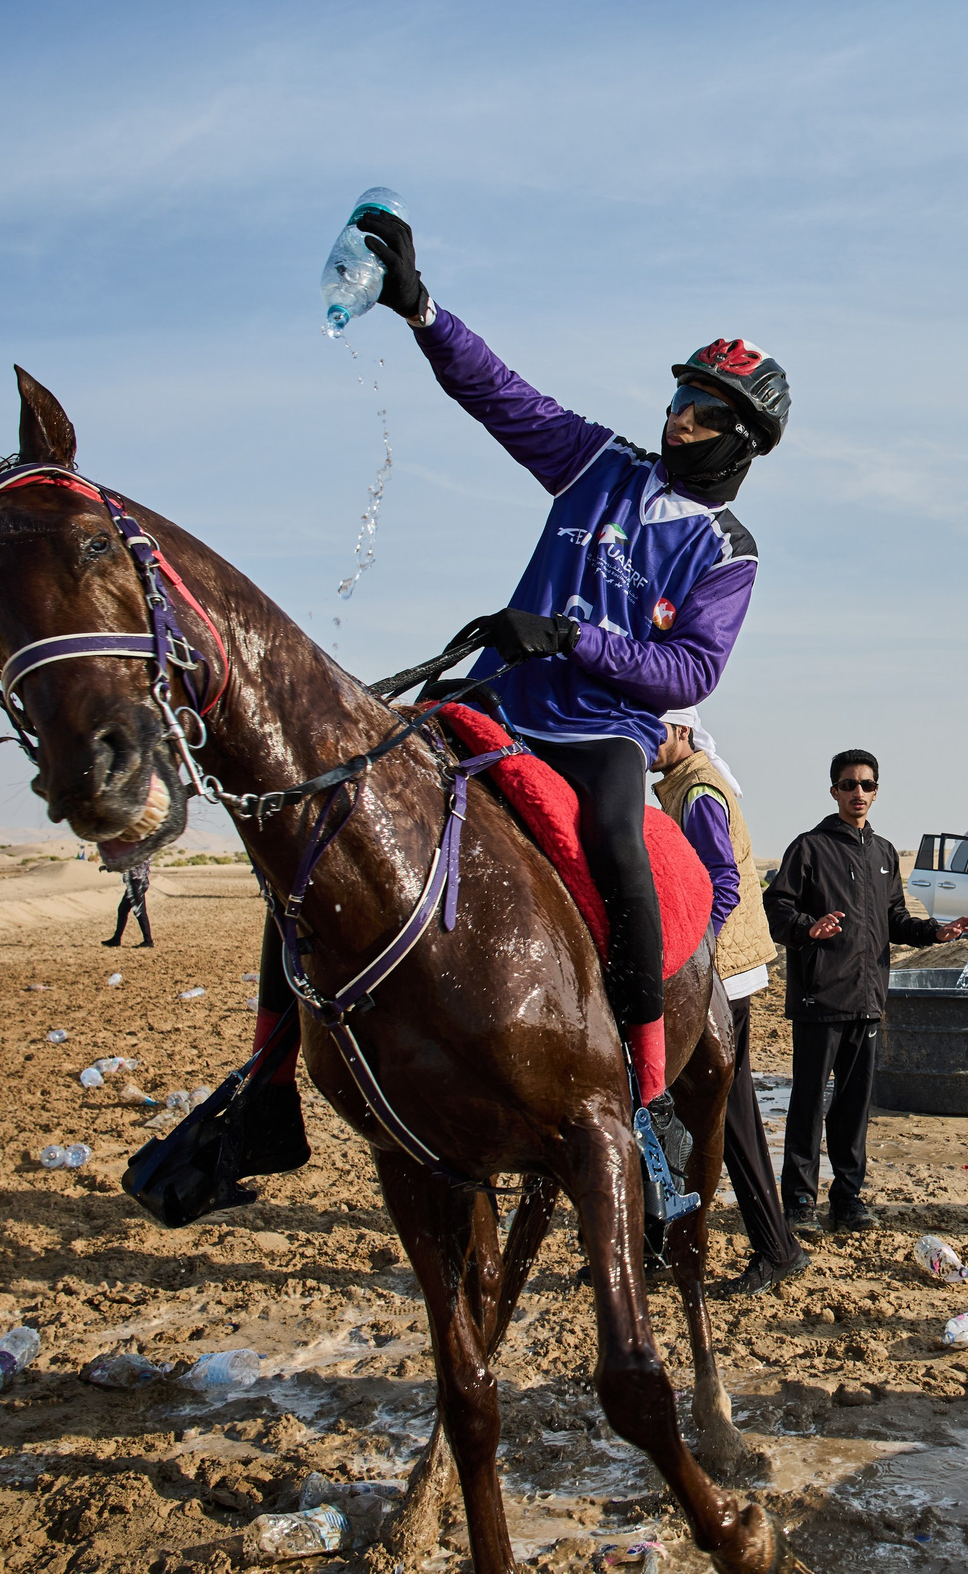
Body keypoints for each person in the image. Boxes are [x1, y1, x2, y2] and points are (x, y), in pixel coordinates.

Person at [242, 209, 788, 1198]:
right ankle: (260, 1082)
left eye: (704, 415)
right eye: (678, 399)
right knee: (327, 814)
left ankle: (650, 1098)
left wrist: (575, 637)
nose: (679, 422)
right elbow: (499, 394)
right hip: (501, 702)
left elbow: (689, 674)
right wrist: (418, 308)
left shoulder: (727, 551)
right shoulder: (596, 465)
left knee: (621, 854)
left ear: (742, 440)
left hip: (599, 737)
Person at [763, 750, 968, 1232]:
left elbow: (893, 919)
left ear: (876, 791)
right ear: (833, 791)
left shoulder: (883, 853)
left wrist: (934, 932)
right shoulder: (809, 848)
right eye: (848, 784)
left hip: (867, 1000)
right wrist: (807, 929)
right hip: (820, 996)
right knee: (809, 1102)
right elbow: (775, 908)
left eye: (866, 785)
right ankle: (798, 1202)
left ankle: (847, 1199)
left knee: (854, 1105)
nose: (858, 793)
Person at [651, 709, 806, 1296]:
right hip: (728, 972)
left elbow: (720, 881)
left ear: (682, 732)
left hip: (724, 975)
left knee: (727, 1117)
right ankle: (771, 1245)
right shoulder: (690, 783)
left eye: (653, 730)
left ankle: (775, 1248)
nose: (643, 742)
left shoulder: (698, 792)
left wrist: (697, 952)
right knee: (719, 1114)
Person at [103, 859, 154, 947]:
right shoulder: (142, 849)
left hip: (136, 882)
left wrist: (110, 867)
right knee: (123, 910)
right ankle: (116, 939)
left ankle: (148, 940)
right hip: (141, 881)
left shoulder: (137, 851)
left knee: (139, 911)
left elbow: (126, 863)